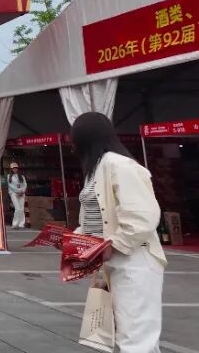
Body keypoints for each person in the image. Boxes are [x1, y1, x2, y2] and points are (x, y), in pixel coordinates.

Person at [72, 112, 166, 352]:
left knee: (136, 338)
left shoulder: (119, 165)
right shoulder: (97, 168)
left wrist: (113, 245)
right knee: (129, 333)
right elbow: (96, 216)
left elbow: (143, 216)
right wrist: (78, 241)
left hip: (133, 260)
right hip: (112, 261)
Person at [7, 162, 27, 228]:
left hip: (22, 193)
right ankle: (15, 223)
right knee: (17, 208)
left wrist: (22, 191)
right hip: (14, 193)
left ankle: (21, 224)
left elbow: (25, 184)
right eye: (13, 168)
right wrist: (18, 191)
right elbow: (10, 186)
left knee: (21, 208)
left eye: (16, 168)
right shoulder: (9, 176)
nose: (15, 169)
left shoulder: (22, 176)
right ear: (11, 169)